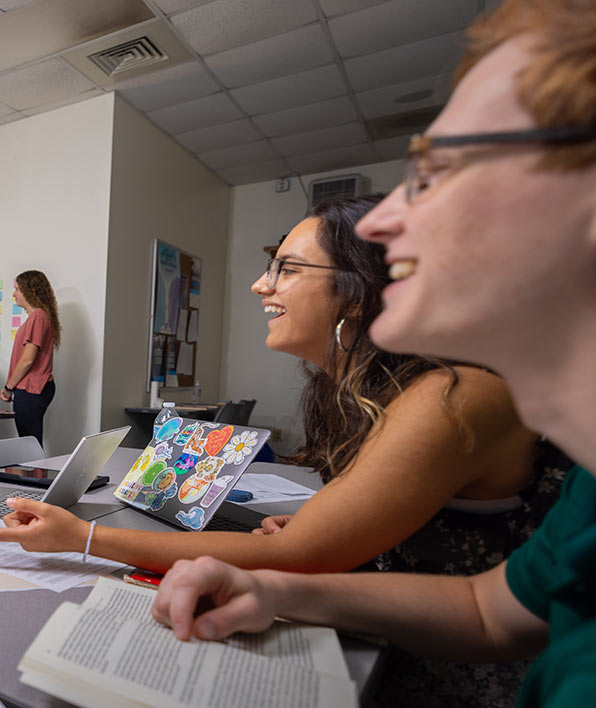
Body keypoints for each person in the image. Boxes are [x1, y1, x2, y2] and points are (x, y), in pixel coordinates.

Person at [149, 3, 596, 706]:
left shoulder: (455, 395)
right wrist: (274, 589)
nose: (386, 221)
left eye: (439, 172)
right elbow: (490, 610)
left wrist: (84, 539)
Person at [0, 196, 564, 705]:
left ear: (358, 294)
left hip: (442, 676)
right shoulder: (372, 390)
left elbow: (305, 557)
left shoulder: (449, 396)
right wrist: (327, 517)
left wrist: (84, 538)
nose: (261, 285)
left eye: (285, 269)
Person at [0, 270, 61, 444]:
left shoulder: (38, 317)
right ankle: (33, 472)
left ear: (29, 291)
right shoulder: (38, 317)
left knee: (30, 445)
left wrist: (8, 387)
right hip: (31, 389)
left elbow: (27, 360)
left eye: (17, 289)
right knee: (30, 443)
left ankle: (35, 472)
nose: (14, 294)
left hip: (32, 389)